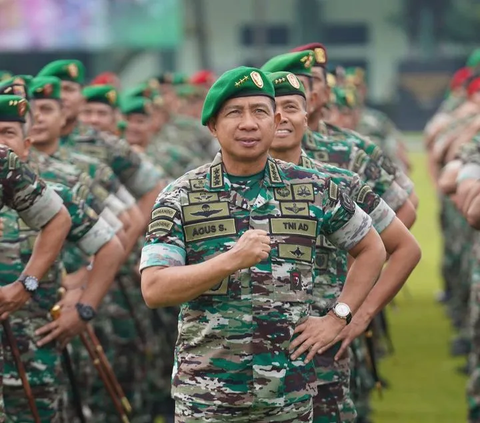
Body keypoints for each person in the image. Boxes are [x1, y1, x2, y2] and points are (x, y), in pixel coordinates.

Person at [140, 66, 387, 422]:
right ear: (212, 125)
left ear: (274, 120)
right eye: (234, 113)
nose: (248, 124)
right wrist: (230, 261)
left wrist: (339, 316)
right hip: (207, 399)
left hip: (288, 398)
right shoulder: (181, 196)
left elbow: (371, 248)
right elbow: (154, 287)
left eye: (259, 112)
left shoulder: (313, 188)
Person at [266, 71, 421, 422]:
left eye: (290, 106)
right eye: (269, 108)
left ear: (308, 115)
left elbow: (404, 248)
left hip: (318, 355)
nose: (280, 117)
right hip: (244, 365)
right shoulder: (228, 186)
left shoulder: (337, 183)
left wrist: (354, 315)